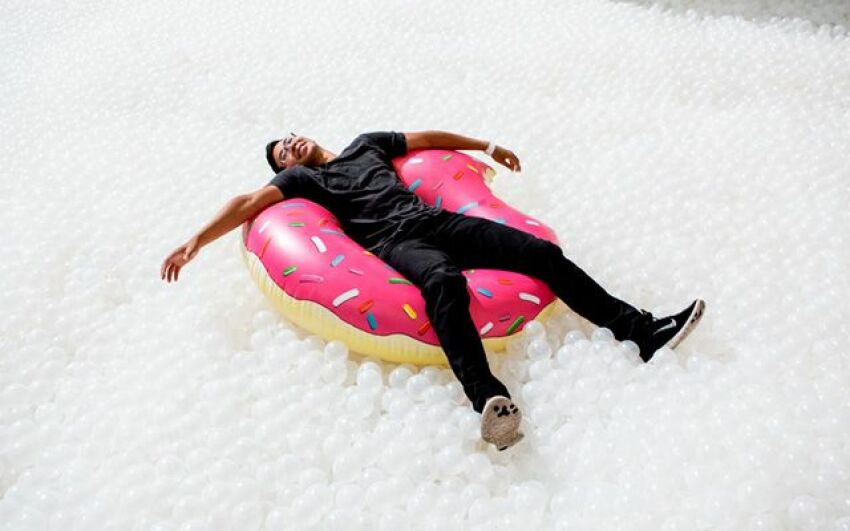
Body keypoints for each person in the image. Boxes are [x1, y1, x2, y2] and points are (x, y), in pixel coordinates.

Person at [161, 130, 706, 451]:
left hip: (439, 220)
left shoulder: (366, 145)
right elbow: (246, 204)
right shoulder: (308, 183)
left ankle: (642, 332)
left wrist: (487, 145)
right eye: (281, 152)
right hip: (398, 245)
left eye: (291, 137)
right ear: (284, 166)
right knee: (443, 284)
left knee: (540, 255)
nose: (291, 146)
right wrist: (195, 241)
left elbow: (426, 139)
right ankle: (490, 401)